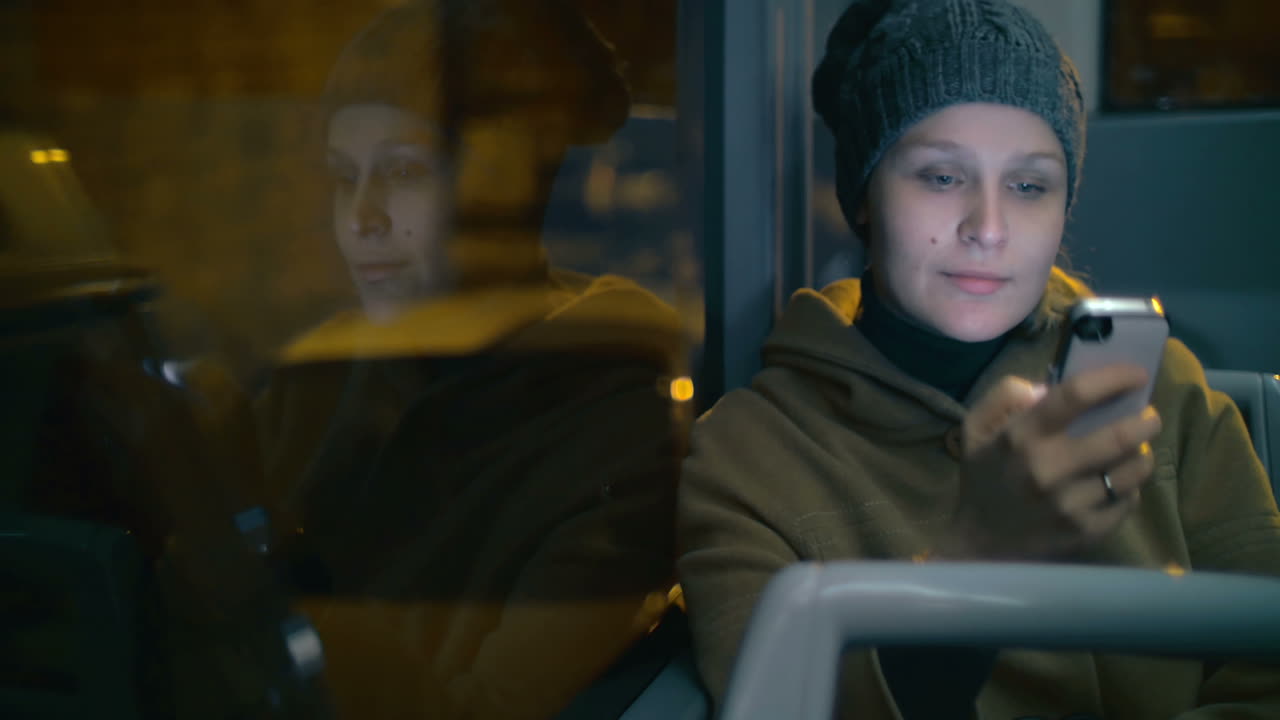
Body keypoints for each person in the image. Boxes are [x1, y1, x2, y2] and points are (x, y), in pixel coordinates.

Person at [676, 1, 1280, 718]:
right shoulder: (744, 458)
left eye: (1028, 186)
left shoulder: (1159, 390)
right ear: (865, 195)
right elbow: (778, 704)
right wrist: (982, 552)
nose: (988, 228)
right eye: (940, 177)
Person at [252, 1, 689, 718]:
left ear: (501, 182)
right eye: (342, 177)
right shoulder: (314, 386)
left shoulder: (614, 429)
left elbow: (493, 708)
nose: (361, 218)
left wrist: (278, 617)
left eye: (402, 172)